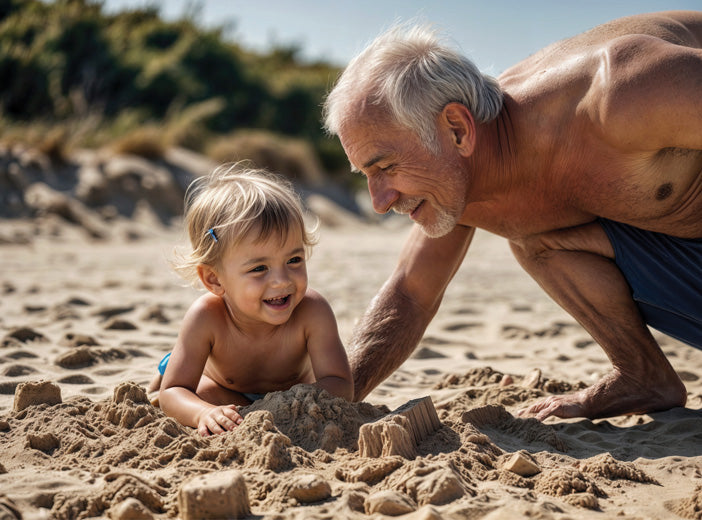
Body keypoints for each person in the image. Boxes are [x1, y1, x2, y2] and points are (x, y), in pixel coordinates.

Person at [322, 11, 702, 421]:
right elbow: (411, 296)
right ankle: (642, 374)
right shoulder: (459, 180)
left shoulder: (622, 91)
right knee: (535, 239)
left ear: (457, 129)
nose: (378, 201)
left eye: (386, 167)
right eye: (366, 175)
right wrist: (329, 400)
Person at [150, 164, 353, 436]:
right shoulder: (207, 317)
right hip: (224, 387)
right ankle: (170, 365)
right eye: (259, 268)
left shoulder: (312, 312)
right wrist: (203, 412)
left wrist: (289, 402)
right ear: (214, 279)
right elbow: (174, 392)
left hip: (290, 395)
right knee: (188, 394)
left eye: (294, 260)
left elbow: (340, 384)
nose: (282, 281)